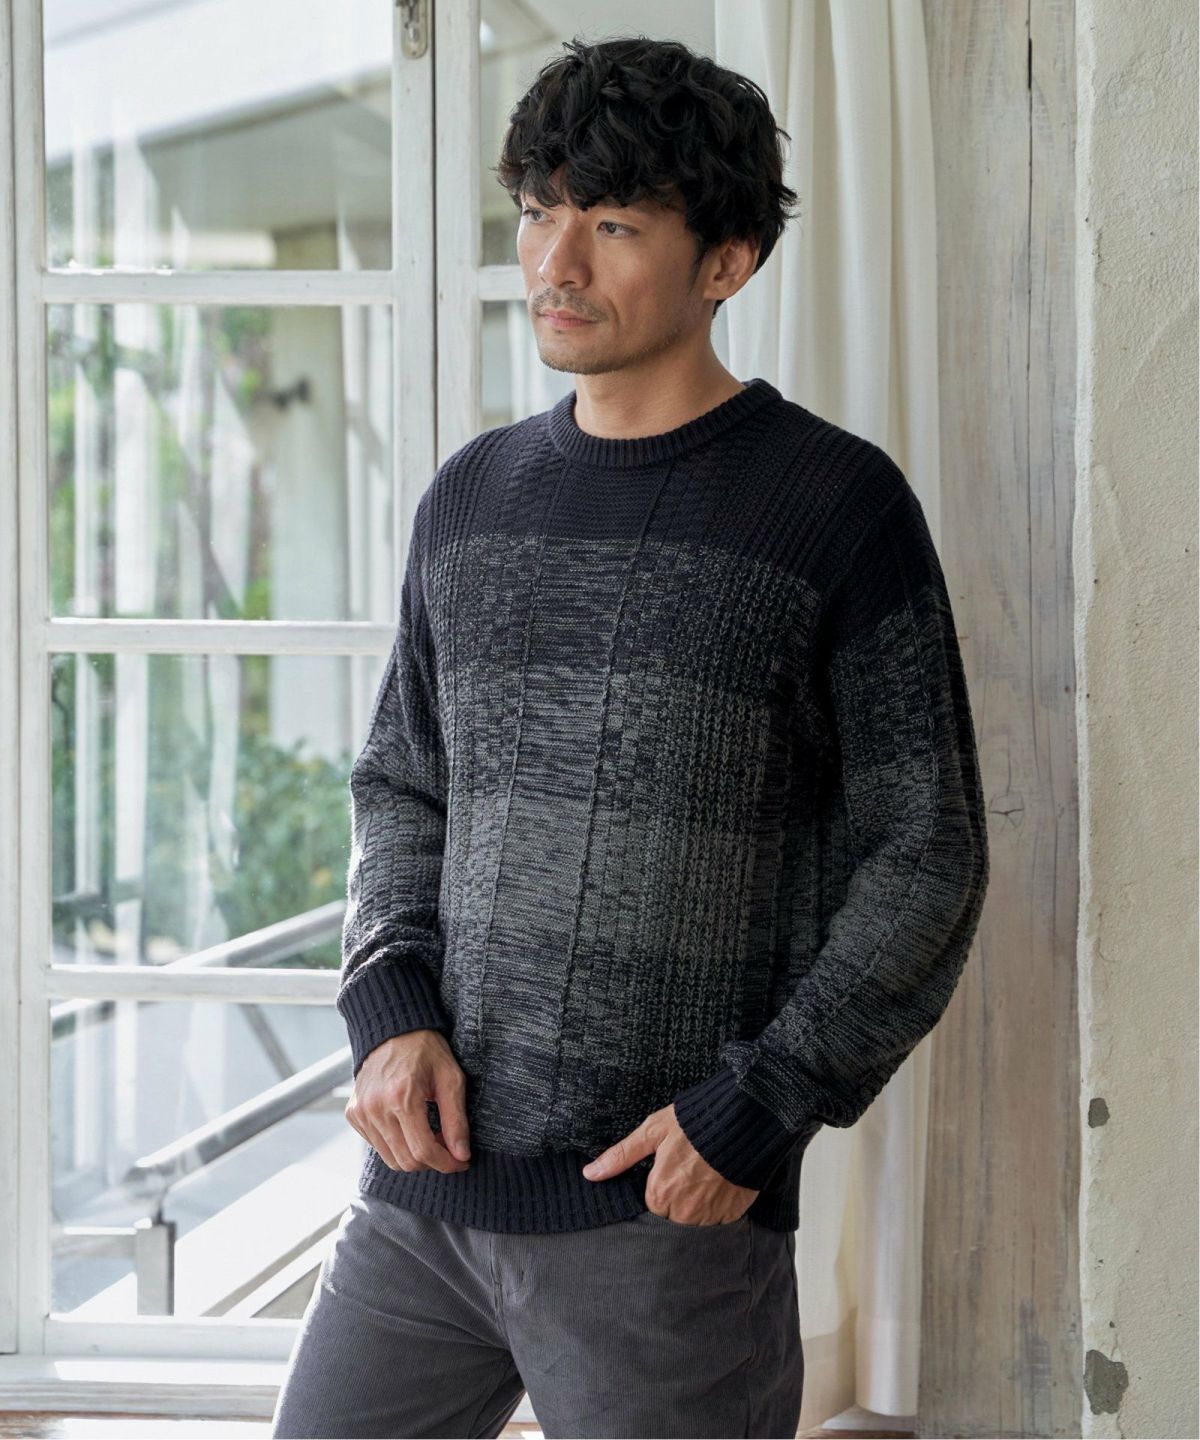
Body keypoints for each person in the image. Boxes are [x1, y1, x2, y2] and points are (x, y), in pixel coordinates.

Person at [271, 33, 989, 1440]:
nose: (556, 262)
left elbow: (929, 852)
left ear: (726, 262)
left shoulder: (833, 507)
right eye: (540, 211)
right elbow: (402, 785)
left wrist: (761, 1108)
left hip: (662, 1218)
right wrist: (389, 1012)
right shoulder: (472, 497)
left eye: (611, 225)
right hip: (420, 1204)